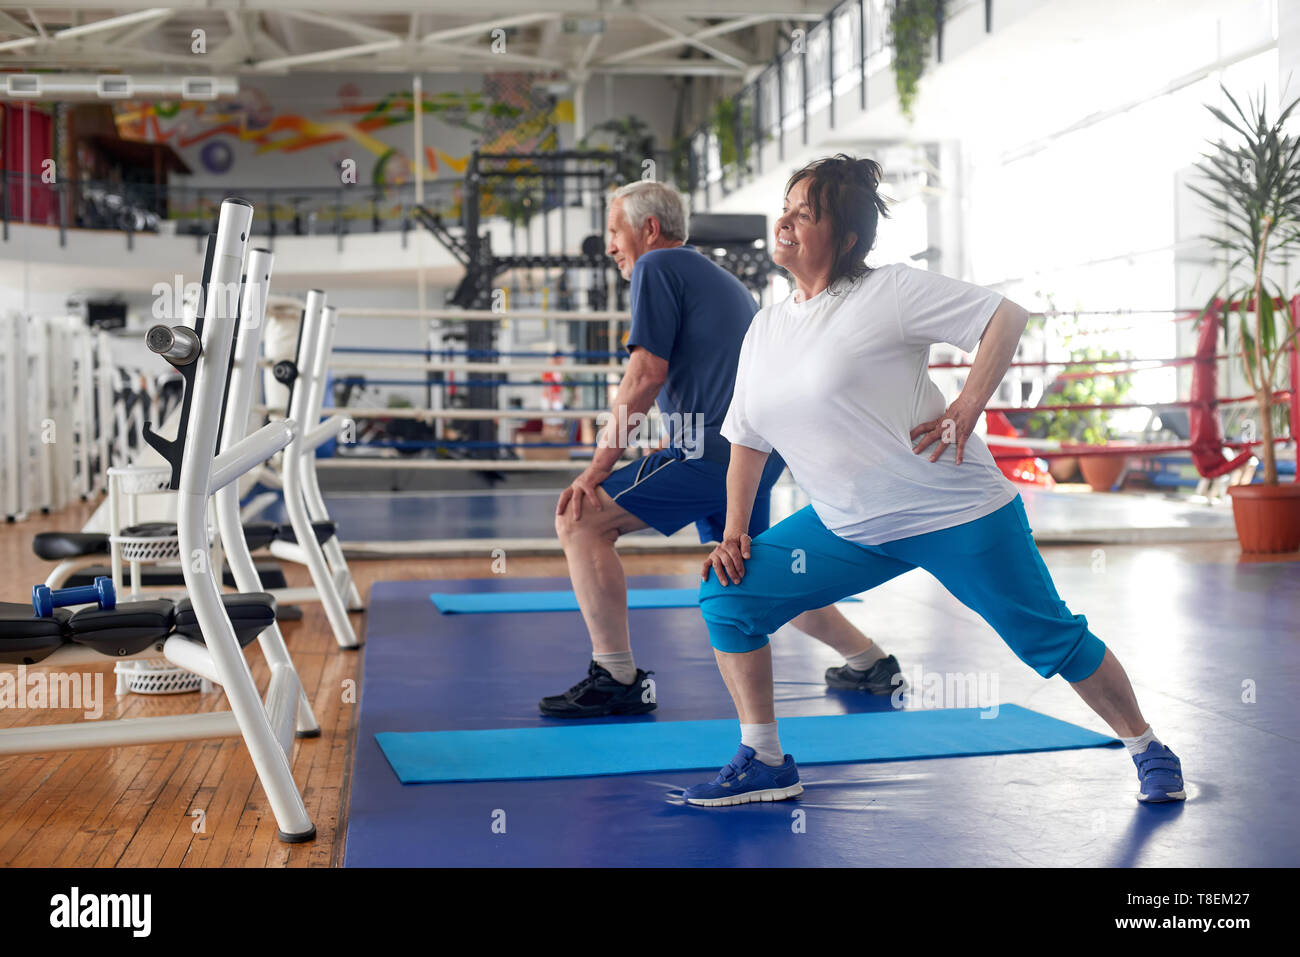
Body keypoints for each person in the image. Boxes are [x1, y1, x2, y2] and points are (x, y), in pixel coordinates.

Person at [687, 154, 1185, 807]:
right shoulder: (767, 328)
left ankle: (1149, 746)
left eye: (804, 214)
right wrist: (731, 533)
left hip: (954, 510)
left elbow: (1004, 317)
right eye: (786, 207)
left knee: (1050, 637)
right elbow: (746, 438)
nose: (785, 221)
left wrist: (966, 406)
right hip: (847, 525)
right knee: (729, 596)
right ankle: (767, 758)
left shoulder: (888, 291)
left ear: (847, 239)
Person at [542, 180, 902, 718]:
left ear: (649, 229)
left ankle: (616, 675)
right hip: (742, 451)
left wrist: (595, 470)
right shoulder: (707, 273)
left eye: (614, 232)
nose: (611, 245)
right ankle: (869, 661)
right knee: (747, 568)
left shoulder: (656, 268)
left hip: (715, 451)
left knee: (581, 520)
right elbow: (705, 375)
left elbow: (645, 372)